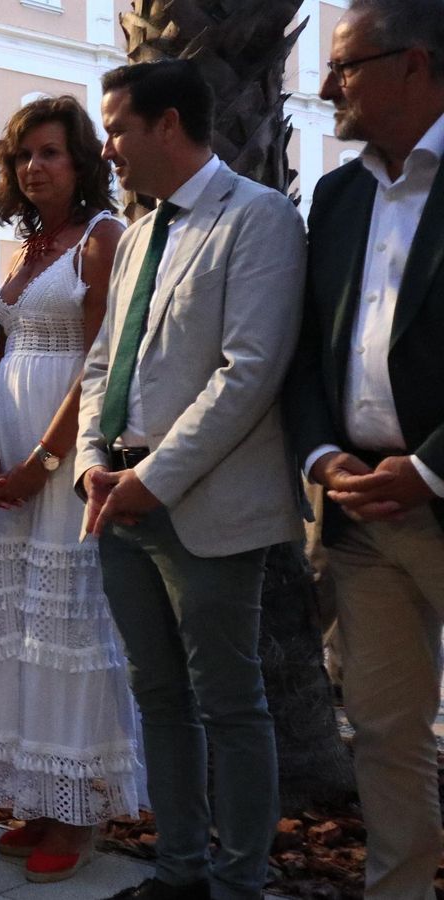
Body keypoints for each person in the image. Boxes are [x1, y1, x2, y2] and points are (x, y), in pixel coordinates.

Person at [80, 60, 307, 900]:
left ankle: (239, 883)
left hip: (206, 509)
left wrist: (154, 479)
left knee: (229, 704)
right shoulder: (138, 233)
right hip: (120, 503)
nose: (107, 149)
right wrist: (94, 464)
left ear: (167, 124)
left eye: (116, 129)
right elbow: (104, 361)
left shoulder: (259, 218)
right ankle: (180, 874)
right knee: (160, 699)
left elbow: (248, 374)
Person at [283, 3, 444, 897]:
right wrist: (320, 455)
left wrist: (427, 468)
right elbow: (309, 350)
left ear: (416, 64)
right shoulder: (339, 194)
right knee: (386, 729)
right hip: (363, 516)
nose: (328, 83)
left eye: (347, 65)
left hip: (431, 489)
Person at [0, 96, 143, 883]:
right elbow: (3, 349)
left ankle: (80, 815)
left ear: (81, 161)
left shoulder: (103, 240)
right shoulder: (27, 250)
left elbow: (102, 359)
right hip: (11, 468)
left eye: (48, 153)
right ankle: (40, 795)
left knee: (73, 632)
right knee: (25, 633)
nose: (33, 167)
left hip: (67, 465)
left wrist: (44, 458)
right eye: (22, 156)